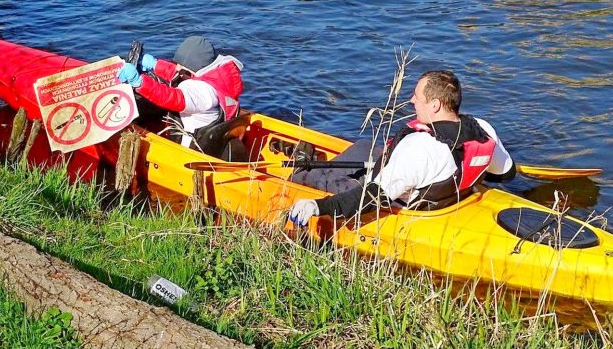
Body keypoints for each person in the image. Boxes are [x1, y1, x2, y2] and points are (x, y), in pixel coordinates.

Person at [288, 70, 515, 225]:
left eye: (417, 97)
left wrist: (318, 206)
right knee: (364, 146)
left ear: (435, 105)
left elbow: (372, 197)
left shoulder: (420, 147)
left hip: (399, 202)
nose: (412, 100)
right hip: (450, 198)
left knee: (313, 178)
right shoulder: (483, 130)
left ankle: (298, 173)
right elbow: (506, 173)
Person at [117, 35, 244, 148]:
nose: (176, 67)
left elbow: (172, 98)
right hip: (209, 135)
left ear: (193, 68)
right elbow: (179, 74)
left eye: (180, 65)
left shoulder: (203, 92)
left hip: (191, 146)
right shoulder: (216, 77)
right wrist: (155, 65)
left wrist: (140, 82)